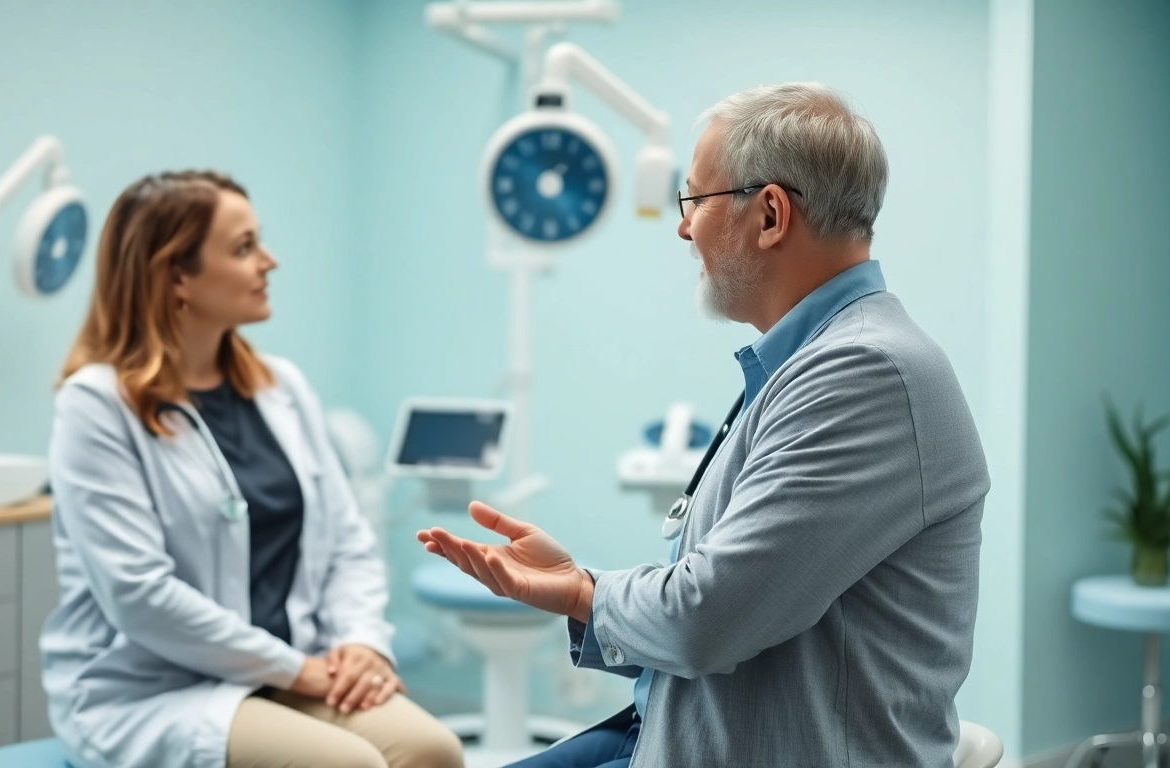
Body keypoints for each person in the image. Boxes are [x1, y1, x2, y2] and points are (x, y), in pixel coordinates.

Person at [418, 83, 990, 768]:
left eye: (693, 200)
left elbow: (708, 618)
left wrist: (582, 590)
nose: (683, 229)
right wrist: (582, 588)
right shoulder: (811, 360)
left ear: (771, 214)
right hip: (672, 730)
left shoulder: (866, 373)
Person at [42, 171, 463, 768]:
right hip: (158, 687)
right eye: (244, 248)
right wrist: (295, 670)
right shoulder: (97, 403)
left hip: (295, 664)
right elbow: (139, 594)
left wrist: (362, 642)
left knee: (434, 750)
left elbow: (346, 542)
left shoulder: (279, 386)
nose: (269, 262)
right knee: (352, 765)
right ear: (176, 275)